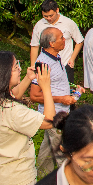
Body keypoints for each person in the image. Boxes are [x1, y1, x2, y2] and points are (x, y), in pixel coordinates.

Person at [0, 51, 56, 185]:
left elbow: (14, 95)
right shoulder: (13, 111)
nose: (19, 68)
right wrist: (46, 87)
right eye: (15, 67)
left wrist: (28, 78)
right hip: (19, 182)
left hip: (0, 177)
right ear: (3, 74)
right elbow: (50, 121)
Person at [30, 27, 80, 176]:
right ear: (51, 43)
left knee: (47, 145)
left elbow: (55, 84)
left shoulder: (56, 57)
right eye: (61, 38)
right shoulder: (43, 63)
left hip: (60, 112)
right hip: (54, 114)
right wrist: (61, 99)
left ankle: (41, 175)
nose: (64, 40)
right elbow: (34, 95)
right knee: (61, 150)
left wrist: (71, 90)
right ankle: (67, 181)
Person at [30, 0, 85, 86]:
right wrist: (33, 66)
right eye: (45, 16)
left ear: (57, 10)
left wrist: (72, 58)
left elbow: (79, 41)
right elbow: (34, 46)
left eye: (51, 15)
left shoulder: (68, 23)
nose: (48, 18)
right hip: (45, 67)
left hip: (65, 64)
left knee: (67, 92)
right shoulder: (39, 25)